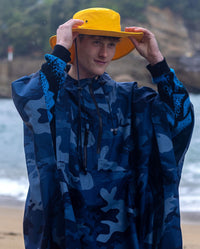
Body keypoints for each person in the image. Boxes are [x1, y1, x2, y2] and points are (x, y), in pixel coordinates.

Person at [12, 7, 194, 249]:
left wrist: (158, 63)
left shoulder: (131, 100)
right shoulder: (53, 96)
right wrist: (61, 51)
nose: (104, 53)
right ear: (76, 42)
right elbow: (31, 103)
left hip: (125, 231)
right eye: (97, 42)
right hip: (64, 229)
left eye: (111, 44)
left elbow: (180, 119)